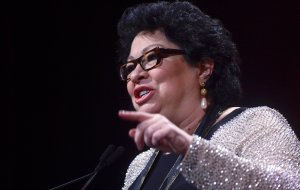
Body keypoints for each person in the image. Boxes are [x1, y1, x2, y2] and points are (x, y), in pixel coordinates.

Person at [116, 1, 300, 189]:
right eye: (130, 66)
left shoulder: (254, 124)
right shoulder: (139, 166)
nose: (135, 75)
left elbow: (288, 185)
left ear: (203, 68)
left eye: (152, 57)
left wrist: (189, 149)